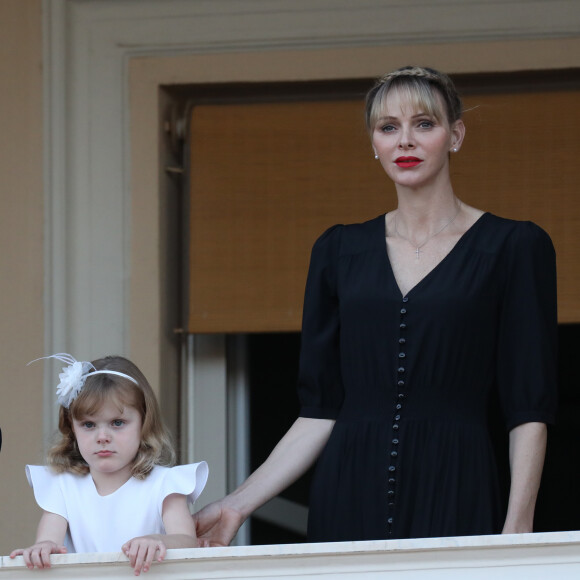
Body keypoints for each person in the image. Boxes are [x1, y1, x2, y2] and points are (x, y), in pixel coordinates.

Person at [194, 65, 557, 544]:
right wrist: (236, 505)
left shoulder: (514, 246)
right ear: (374, 144)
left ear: (456, 135)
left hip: (456, 485)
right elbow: (318, 411)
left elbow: (527, 407)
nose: (405, 141)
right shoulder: (338, 251)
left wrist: (518, 526)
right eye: (389, 128)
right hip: (347, 489)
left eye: (424, 124)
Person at [10, 353, 208, 575]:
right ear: (72, 428)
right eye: (88, 425)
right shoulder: (62, 486)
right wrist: (42, 548)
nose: (102, 436)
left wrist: (158, 540)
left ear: (144, 422)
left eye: (117, 422)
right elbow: (48, 541)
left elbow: (187, 541)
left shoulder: (165, 484)